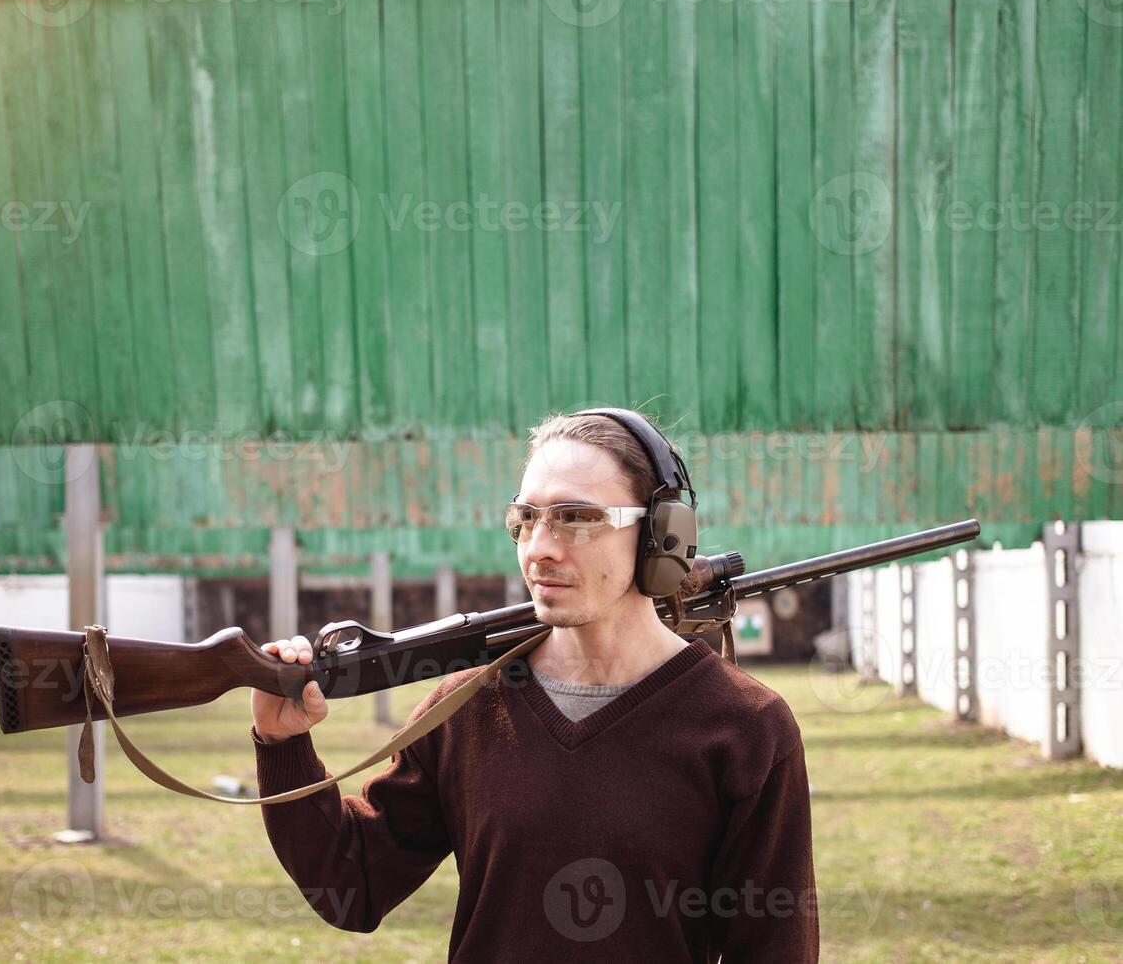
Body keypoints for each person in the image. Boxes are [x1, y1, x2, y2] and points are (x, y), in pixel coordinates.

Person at [249, 410, 819, 962]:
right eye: (527, 518)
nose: (540, 546)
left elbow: (774, 949)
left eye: (576, 517)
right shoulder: (465, 707)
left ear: (660, 537)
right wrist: (284, 746)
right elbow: (353, 880)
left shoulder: (746, 728)